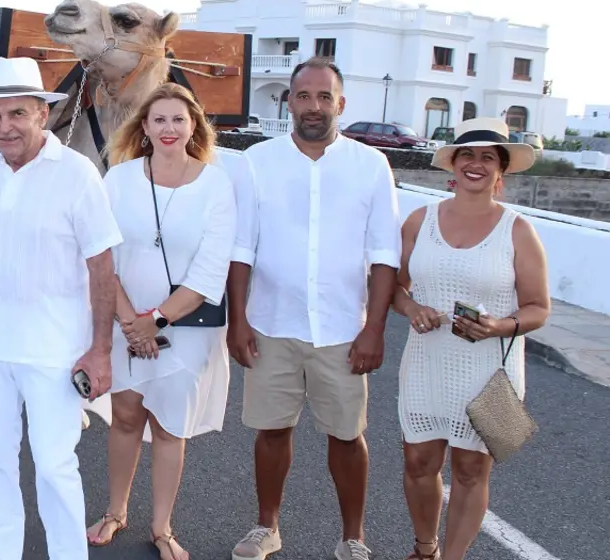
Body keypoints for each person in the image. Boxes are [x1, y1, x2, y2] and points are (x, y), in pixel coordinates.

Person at [0, 56, 121, 560]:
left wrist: (101, 351)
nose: (4, 127)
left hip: (55, 348)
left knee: (53, 466)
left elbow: (102, 265)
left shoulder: (78, 173)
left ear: (43, 113)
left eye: (17, 114)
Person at [226, 57, 401, 560]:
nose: (313, 106)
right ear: (289, 102)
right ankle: (267, 528)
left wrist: (374, 330)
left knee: (347, 436)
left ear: (340, 104)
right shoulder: (258, 161)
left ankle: (353, 537)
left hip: (343, 327)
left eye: (324, 97)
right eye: (303, 96)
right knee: (271, 430)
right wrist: (238, 322)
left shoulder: (371, 165)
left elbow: (384, 255)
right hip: (271, 323)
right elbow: (242, 250)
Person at [84, 83, 236, 560]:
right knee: (126, 417)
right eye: (159, 120)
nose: (169, 129)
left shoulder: (216, 184)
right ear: (144, 128)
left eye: (178, 119)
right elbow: (102, 255)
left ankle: (163, 526)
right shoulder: (119, 179)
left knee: (171, 426)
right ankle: (115, 511)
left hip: (186, 329)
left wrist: (157, 322)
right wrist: (132, 322)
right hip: (124, 319)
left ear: (194, 126)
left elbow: (212, 269)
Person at [394, 118, 550, 560]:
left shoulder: (518, 230)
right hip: (427, 362)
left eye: (487, 157)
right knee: (419, 464)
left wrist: (498, 326)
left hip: (489, 368)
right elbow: (394, 288)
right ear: (454, 164)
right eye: (468, 155)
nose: (476, 164)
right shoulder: (419, 221)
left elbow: (538, 307)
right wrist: (413, 309)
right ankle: (426, 548)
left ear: (500, 171)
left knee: (470, 470)